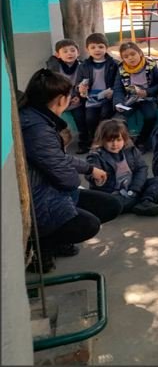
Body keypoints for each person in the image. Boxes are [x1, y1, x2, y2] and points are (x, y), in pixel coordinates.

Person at [20, 69, 123, 272]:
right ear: (60, 100)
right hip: (41, 198)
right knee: (88, 225)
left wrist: (89, 168)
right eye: (70, 97)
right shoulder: (37, 129)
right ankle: (43, 245)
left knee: (111, 205)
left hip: (48, 190)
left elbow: (56, 158)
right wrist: (76, 181)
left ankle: (55, 238)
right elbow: (65, 178)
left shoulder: (36, 118)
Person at [87, 120, 158, 217]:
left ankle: (145, 200)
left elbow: (142, 169)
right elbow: (90, 172)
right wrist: (96, 178)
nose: (115, 144)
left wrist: (135, 189)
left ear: (125, 139)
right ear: (102, 140)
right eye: (110, 140)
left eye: (119, 140)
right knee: (113, 204)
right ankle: (147, 198)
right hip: (112, 193)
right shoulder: (95, 156)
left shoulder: (131, 150)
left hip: (132, 188)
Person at [113, 41, 158, 152]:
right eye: (126, 56)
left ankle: (142, 141)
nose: (130, 58)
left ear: (140, 53)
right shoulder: (121, 69)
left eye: (133, 54)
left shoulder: (150, 65)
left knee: (150, 116)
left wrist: (147, 92)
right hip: (130, 99)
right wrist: (118, 102)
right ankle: (125, 143)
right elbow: (118, 88)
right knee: (118, 119)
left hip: (148, 98)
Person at [78, 33, 119, 154]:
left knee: (105, 115)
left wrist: (113, 91)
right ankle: (94, 141)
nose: (97, 50)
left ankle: (106, 140)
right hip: (91, 98)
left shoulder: (113, 64)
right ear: (87, 49)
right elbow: (78, 83)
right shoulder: (84, 66)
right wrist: (80, 88)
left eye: (101, 47)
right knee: (90, 119)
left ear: (106, 48)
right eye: (93, 47)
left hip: (107, 97)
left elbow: (119, 81)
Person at [46, 38, 88, 152]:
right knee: (54, 121)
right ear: (58, 55)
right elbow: (52, 86)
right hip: (59, 100)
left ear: (78, 53)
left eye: (72, 50)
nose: (69, 53)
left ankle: (84, 142)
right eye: (65, 51)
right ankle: (55, 144)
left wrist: (78, 96)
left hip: (75, 100)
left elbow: (84, 83)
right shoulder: (55, 68)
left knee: (81, 119)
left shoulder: (82, 66)